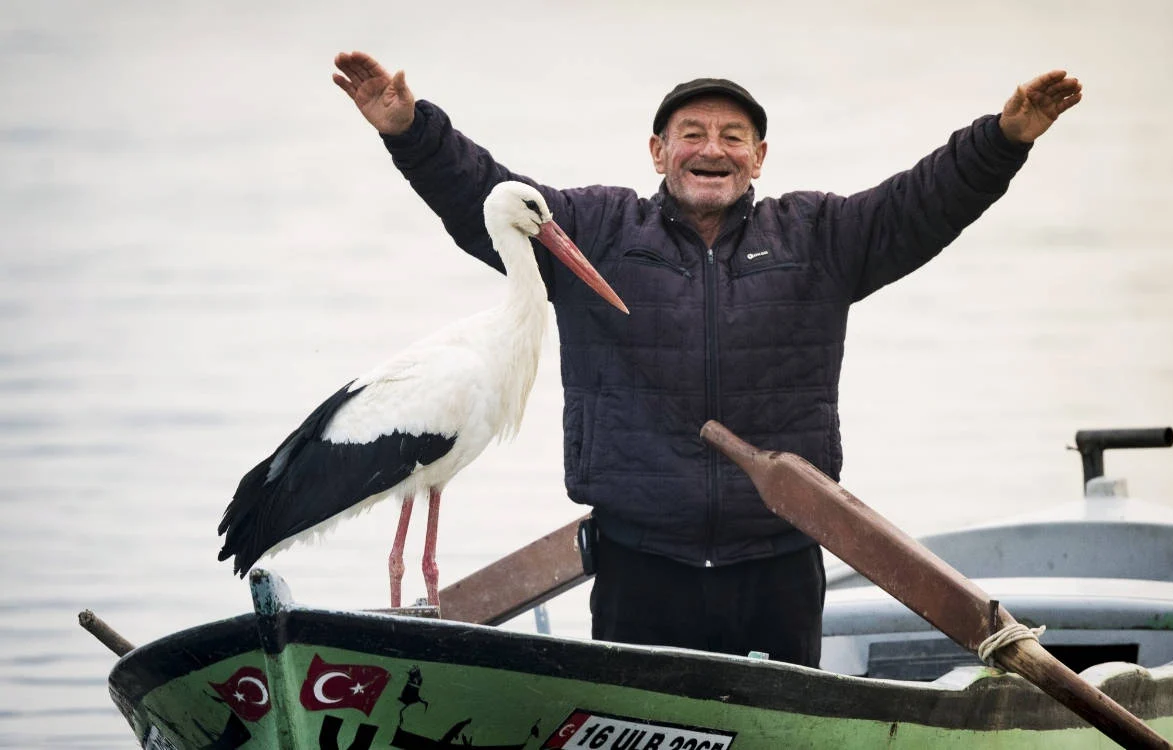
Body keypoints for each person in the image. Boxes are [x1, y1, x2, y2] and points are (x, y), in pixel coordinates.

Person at [331, 51, 1082, 667]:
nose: (712, 149)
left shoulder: (819, 235)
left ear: (759, 157)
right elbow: (484, 197)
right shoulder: (594, 229)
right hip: (640, 562)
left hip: (780, 557)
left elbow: (923, 203)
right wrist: (409, 129)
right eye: (691, 133)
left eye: (733, 135)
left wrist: (1005, 138)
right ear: (657, 152)